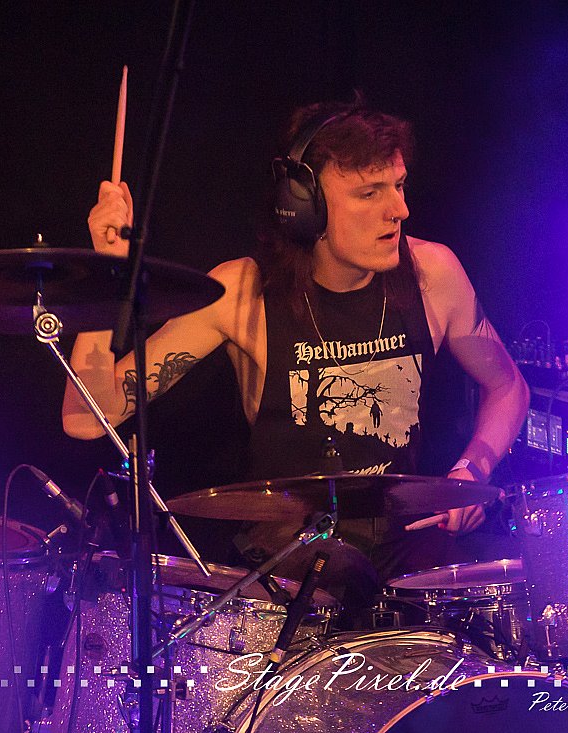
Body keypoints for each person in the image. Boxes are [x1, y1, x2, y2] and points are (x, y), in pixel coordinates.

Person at [62, 99, 528, 620]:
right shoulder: (241, 294)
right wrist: (103, 274)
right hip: (288, 566)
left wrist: (472, 470)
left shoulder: (431, 274)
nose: (399, 209)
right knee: (330, 590)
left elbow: (509, 387)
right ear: (305, 205)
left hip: (402, 553)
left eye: (399, 186)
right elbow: (87, 417)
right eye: (370, 193)